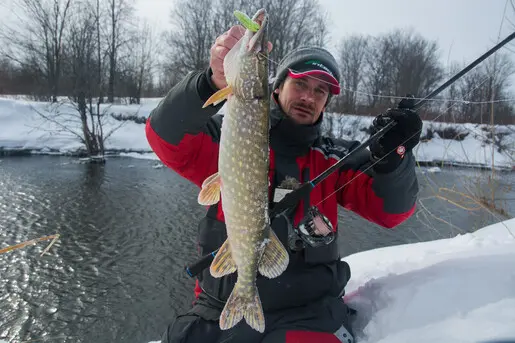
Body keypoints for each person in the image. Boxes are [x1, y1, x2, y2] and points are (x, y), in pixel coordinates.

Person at [145, 24, 422, 343]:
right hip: (218, 308)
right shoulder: (226, 137)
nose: (309, 96)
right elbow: (163, 135)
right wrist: (210, 82)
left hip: (310, 314)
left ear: (326, 102)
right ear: (276, 87)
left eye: (320, 91)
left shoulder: (334, 157)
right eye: (301, 83)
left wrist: (395, 157)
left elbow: (391, 212)